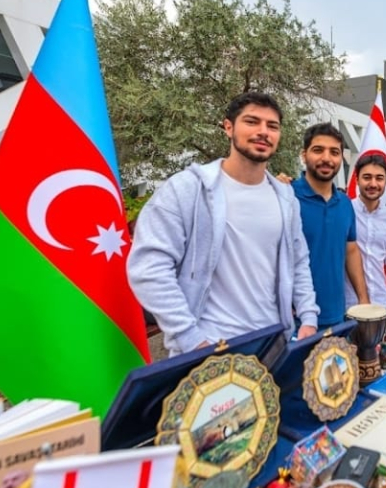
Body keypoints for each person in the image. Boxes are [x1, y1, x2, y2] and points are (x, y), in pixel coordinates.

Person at [127, 91, 319, 356]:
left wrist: (308, 317)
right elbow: (148, 268)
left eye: (272, 126)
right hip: (209, 350)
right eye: (252, 121)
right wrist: (191, 340)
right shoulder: (187, 189)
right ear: (228, 127)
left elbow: (298, 262)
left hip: (271, 345)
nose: (263, 132)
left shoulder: (286, 199)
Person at [292, 123, 369, 328]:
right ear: (304, 155)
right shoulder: (287, 197)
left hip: (336, 316)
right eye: (318, 150)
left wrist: (363, 300)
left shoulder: (345, 203)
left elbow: (351, 251)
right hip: (295, 320)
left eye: (334, 152)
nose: (326, 158)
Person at [345, 154, 386, 370]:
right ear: (357, 179)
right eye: (367, 177)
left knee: (382, 365)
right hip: (349, 303)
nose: (373, 184)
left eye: (379, 178)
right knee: (350, 368)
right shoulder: (345, 210)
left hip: (381, 301)